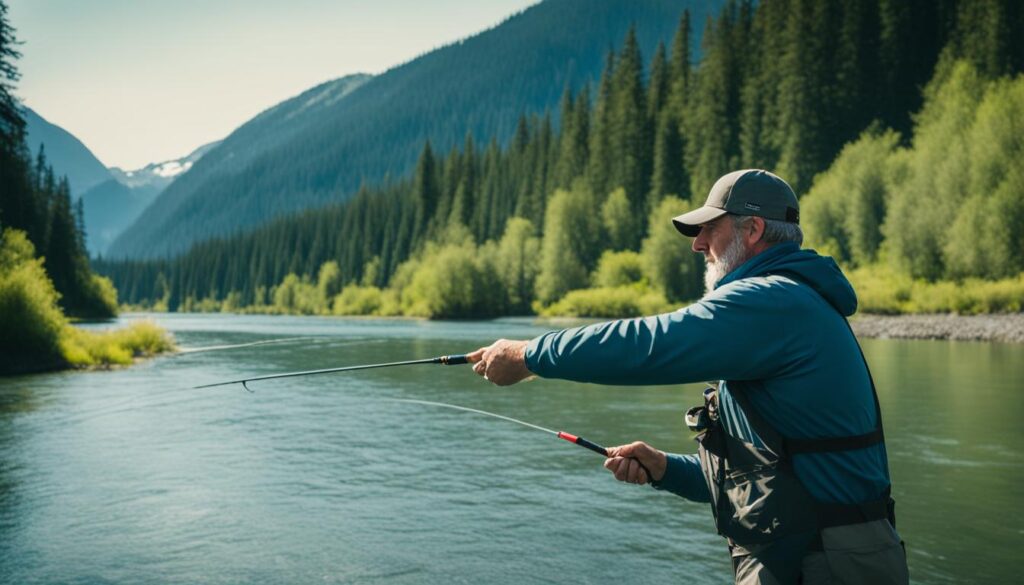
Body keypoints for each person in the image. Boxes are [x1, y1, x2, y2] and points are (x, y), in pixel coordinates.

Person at [467, 169, 910, 584]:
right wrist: (665, 470)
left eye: (709, 229)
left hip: (828, 562)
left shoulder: (773, 301)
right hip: (811, 556)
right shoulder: (786, 304)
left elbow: (649, 344)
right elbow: (765, 476)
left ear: (753, 229)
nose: (698, 244)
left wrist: (529, 355)